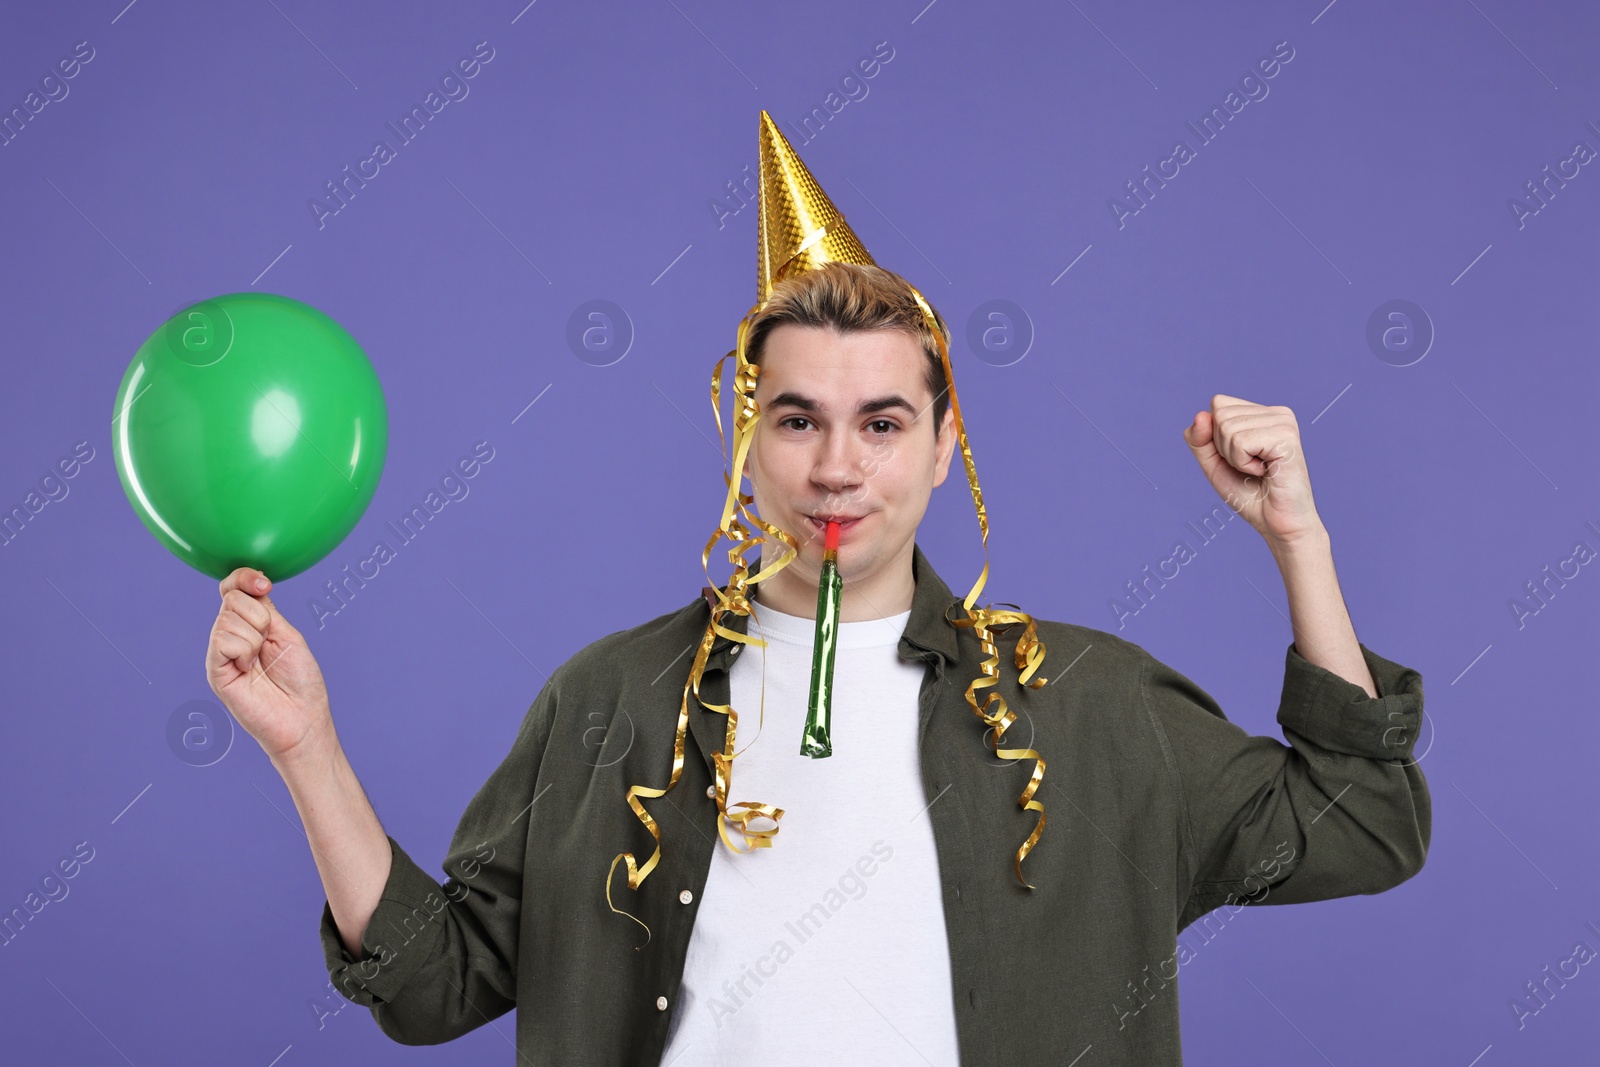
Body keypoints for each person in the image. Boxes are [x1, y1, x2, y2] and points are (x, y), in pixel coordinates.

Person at [205, 114, 1430, 1066]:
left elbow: (1365, 825)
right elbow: (433, 984)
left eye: (881, 421)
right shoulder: (608, 701)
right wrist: (307, 746)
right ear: (747, 438)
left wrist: (1298, 539)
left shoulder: (1090, 704)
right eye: (797, 419)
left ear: (945, 445)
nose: (837, 465)